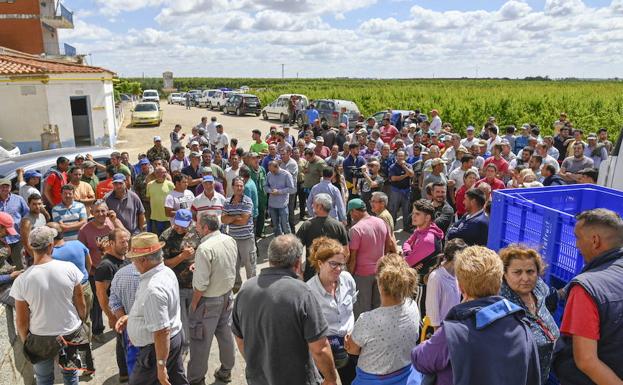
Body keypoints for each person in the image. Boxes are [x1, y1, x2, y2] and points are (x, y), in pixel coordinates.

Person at [412, 245, 541, 385]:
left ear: (461, 287)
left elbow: (419, 359)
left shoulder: (451, 334)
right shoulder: (523, 328)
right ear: (499, 284)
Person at [232, 234, 339, 385]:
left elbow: (240, 340)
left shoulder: (245, 290)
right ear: (297, 263)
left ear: (270, 260)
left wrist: (259, 364)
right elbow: (320, 349)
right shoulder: (302, 292)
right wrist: (331, 379)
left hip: (258, 379)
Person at [10, 226, 88, 385]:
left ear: (31, 247)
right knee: (71, 377)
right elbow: (80, 301)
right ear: (51, 245)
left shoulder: (22, 280)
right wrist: (80, 322)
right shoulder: (69, 268)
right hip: (71, 330)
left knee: (44, 379)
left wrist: (27, 342)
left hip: (40, 337)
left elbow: (22, 321)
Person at [553, 209, 623, 384]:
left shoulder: (586, 288)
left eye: (577, 237)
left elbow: (586, 361)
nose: (576, 245)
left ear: (595, 241)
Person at [345, 253, 420, 384]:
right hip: (406, 377)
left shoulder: (368, 320)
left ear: (380, 282)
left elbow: (352, 349)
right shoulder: (413, 306)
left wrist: (348, 341)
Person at [125, 232, 189, 385]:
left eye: (134, 260)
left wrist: (161, 365)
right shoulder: (165, 271)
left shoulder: (153, 288)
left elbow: (161, 331)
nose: (133, 263)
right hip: (171, 340)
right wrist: (132, 318)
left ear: (143, 260)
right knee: (176, 380)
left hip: (156, 349)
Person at [498, 245, 560, 383]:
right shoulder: (501, 305)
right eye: (517, 272)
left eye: (530, 271)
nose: (525, 278)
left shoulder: (539, 288)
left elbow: (553, 297)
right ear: (504, 273)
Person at [306, 237, 358, 384]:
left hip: (349, 346)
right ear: (320, 263)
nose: (339, 269)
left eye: (342, 264)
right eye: (333, 264)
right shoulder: (309, 291)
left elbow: (352, 304)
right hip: (324, 349)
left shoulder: (347, 279)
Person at [348, 198, 396, 318]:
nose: (351, 216)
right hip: (379, 271)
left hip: (362, 275)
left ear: (355, 211)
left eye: (350, 213)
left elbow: (353, 257)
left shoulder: (356, 229)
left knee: (362, 311)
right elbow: (389, 244)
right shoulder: (381, 222)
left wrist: (350, 275)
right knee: (378, 308)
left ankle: (362, 336)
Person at [94, 228, 131, 382]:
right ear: (111, 243)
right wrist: (111, 316)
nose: (126, 244)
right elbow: (101, 295)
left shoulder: (126, 258)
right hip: (118, 312)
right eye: (122, 242)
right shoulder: (105, 266)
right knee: (122, 343)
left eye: (127, 241)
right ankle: (124, 373)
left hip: (130, 310)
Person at [297, 193, 349, 281]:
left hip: (311, 275)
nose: (312, 205)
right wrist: (339, 268)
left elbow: (296, 251)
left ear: (319, 207)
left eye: (314, 204)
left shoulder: (307, 226)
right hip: (333, 275)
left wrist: (300, 271)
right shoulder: (339, 226)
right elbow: (346, 252)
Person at [222, 177, 256, 292]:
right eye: (237, 185)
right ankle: (237, 287)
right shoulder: (227, 202)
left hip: (246, 239)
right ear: (232, 187)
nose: (239, 188)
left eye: (241, 186)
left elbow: (243, 221)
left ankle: (252, 288)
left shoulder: (247, 201)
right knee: (234, 265)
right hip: (233, 239)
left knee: (249, 265)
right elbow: (223, 219)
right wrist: (236, 217)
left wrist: (231, 218)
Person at [425, 239, 467, 332]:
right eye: (464, 257)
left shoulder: (457, 274)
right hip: (439, 331)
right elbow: (433, 312)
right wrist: (438, 336)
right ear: (456, 257)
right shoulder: (436, 277)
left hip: (451, 327)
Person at [0, 177, 29, 268]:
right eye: (2, 187)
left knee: (20, 264)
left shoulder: (18, 199)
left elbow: (26, 215)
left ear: (11, 187)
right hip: (1, 241)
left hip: (16, 238)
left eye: (7, 186)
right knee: (2, 266)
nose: (4, 189)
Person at [264, 160, 296, 236]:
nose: (272, 173)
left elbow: (292, 189)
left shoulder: (286, 175)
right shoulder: (269, 174)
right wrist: (270, 190)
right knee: (275, 226)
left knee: (285, 225)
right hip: (272, 204)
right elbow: (265, 186)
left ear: (277, 167)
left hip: (282, 205)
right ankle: (278, 242)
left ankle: (289, 242)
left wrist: (279, 192)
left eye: (273, 171)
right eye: (270, 171)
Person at [388, 150, 414, 231]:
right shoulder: (392, 167)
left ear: (405, 157)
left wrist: (404, 167)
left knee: (406, 210)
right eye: (399, 156)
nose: (400, 158)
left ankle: (406, 227)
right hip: (396, 191)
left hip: (406, 191)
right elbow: (393, 178)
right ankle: (392, 227)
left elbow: (412, 174)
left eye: (402, 156)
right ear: (396, 157)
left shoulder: (408, 165)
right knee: (394, 210)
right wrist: (406, 175)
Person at [145, 166, 175, 236]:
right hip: (155, 218)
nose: (165, 174)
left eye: (165, 172)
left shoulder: (170, 184)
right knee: (157, 237)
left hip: (168, 218)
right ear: (156, 174)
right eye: (162, 173)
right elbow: (149, 198)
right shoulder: (149, 185)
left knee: (169, 237)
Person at [20, 194, 48, 265]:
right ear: (28, 204)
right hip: (31, 256)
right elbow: (26, 243)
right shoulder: (26, 221)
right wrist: (37, 258)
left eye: (39, 204)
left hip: (42, 252)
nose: (37, 206)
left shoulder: (42, 215)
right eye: (34, 204)